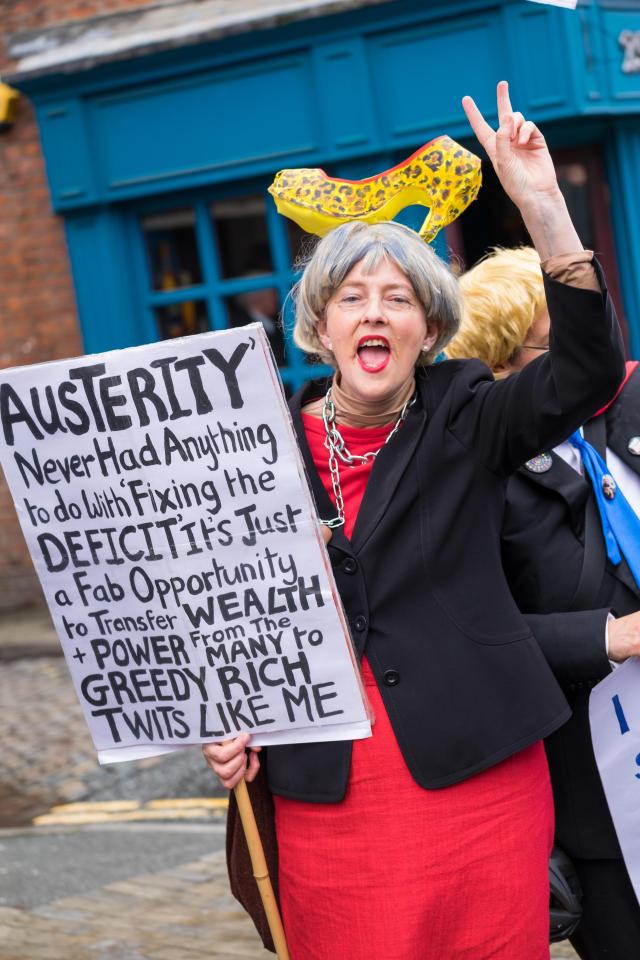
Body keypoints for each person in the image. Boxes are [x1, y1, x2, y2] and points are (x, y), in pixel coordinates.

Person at [203, 82, 625, 960]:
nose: (375, 312)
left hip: (478, 777)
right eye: (352, 297)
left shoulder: (466, 412)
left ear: (429, 329)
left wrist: (542, 203)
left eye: (399, 298)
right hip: (327, 792)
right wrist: (228, 722)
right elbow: (226, 621)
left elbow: (584, 373)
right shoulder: (257, 451)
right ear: (319, 327)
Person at [447, 245, 640, 959]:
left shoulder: (620, 420)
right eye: (557, 343)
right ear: (503, 364)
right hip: (595, 790)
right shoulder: (472, 477)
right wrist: (607, 635)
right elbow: (467, 634)